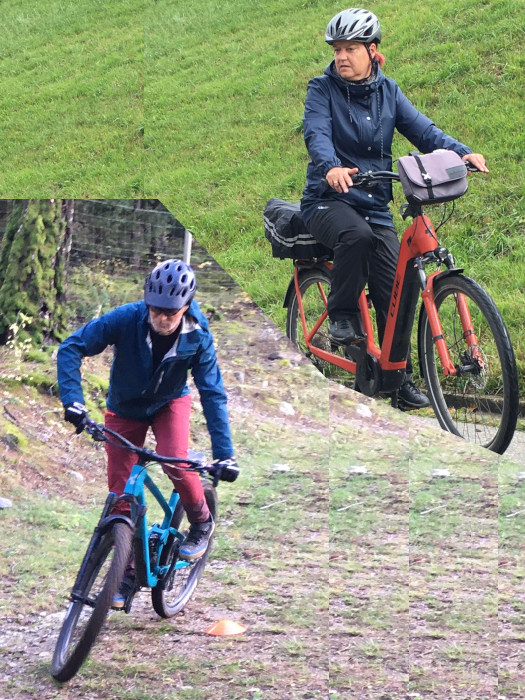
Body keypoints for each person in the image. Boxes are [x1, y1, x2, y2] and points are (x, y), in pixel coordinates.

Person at [300, 8, 488, 408]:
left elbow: (423, 130)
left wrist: (461, 152)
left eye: (351, 48)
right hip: (327, 202)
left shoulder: (389, 92)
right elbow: (316, 134)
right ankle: (342, 314)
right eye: (337, 49)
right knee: (357, 235)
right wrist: (330, 167)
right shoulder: (322, 90)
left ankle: (396, 381)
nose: (341, 57)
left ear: (373, 51)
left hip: (374, 204)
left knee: (396, 293)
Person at [57, 258, 237, 607]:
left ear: (186, 306)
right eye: (156, 309)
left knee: (175, 462)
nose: (162, 318)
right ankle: (124, 578)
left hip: (170, 404)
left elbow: (212, 393)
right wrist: (73, 402)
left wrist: (224, 453)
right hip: (124, 408)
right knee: (120, 498)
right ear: (147, 302)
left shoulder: (198, 335)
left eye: (171, 312)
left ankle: (200, 521)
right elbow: (72, 347)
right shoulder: (126, 319)